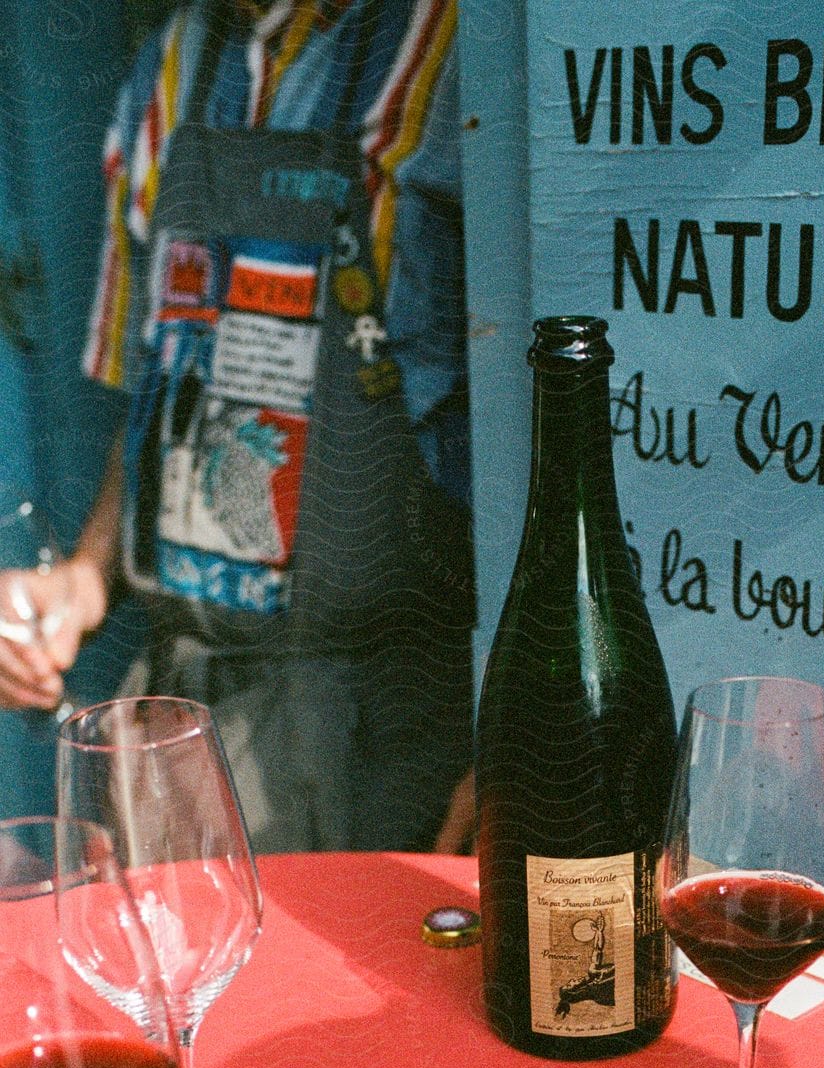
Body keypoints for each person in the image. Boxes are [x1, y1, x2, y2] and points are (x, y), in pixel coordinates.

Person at [0, 0, 476, 854]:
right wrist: (83, 575)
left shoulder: (457, 42)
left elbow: (547, 399)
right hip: (185, 724)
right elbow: (165, 377)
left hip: (402, 732)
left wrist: (522, 744)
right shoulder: (172, 66)